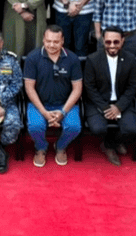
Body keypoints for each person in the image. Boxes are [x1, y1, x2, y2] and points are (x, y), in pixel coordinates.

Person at [23, 26, 82, 167]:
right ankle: (41, 147)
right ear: (43, 40)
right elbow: (29, 88)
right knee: (35, 126)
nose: (51, 45)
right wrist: (44, 112)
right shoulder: (32, 58)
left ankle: (60, 146)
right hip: (39, 104)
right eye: (48, 41)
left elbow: (77, 89)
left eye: (56, 42)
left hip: (65, 104)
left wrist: (63, 112)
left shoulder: (72, 59)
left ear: (62, 41)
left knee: (74, 127)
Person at [82, 26, 136, 166]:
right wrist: (105, 108)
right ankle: (109, 146)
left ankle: (111, 143)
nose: (112, 45)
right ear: (103, 41)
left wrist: (119, 107)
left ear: (122, 41)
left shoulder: (130, 59)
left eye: (116, 42)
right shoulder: (93, 59)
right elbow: (89, 88)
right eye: (108, 42)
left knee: (131, 130)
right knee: (98, 129)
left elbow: (133, 86)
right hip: (99, 102)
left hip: (122, 102)